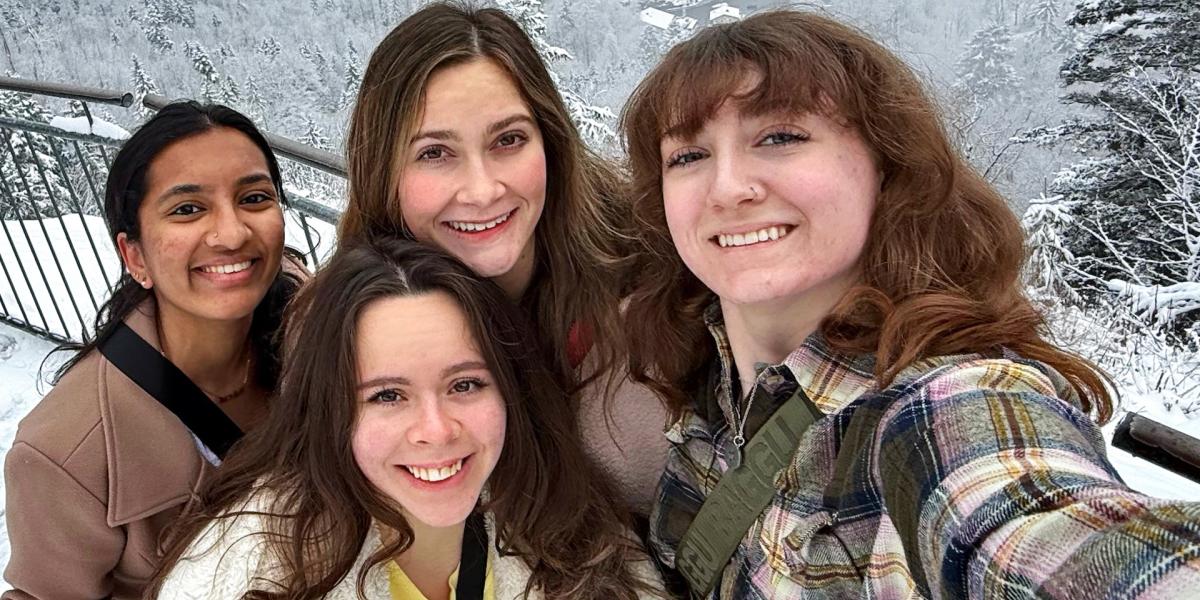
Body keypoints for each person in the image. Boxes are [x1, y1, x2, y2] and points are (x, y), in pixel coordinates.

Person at [620, 10, 1200, 599]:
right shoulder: (700, 372)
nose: (726, 187)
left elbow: (1039, 529)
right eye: (688, 156)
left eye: (780, 137)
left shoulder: (937, 407)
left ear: (886, 167)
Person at [147, 238, 663, 599]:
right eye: (388, 396)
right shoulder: (240, 572)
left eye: (465, 384)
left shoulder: (574, 527)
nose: (436, 430)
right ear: (330, 409)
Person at [338, 1, 668, 515]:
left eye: (508, 140)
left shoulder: (656, 292)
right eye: (434, 153)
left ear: (550, 143)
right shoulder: (339, 331)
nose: (482, 189)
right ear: (383, 171)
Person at [2, 101, 302, 599]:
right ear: (134, 255)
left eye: (253, 198)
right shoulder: (65, 453)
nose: (231, 233)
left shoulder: (324, 329)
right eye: (188, 209)